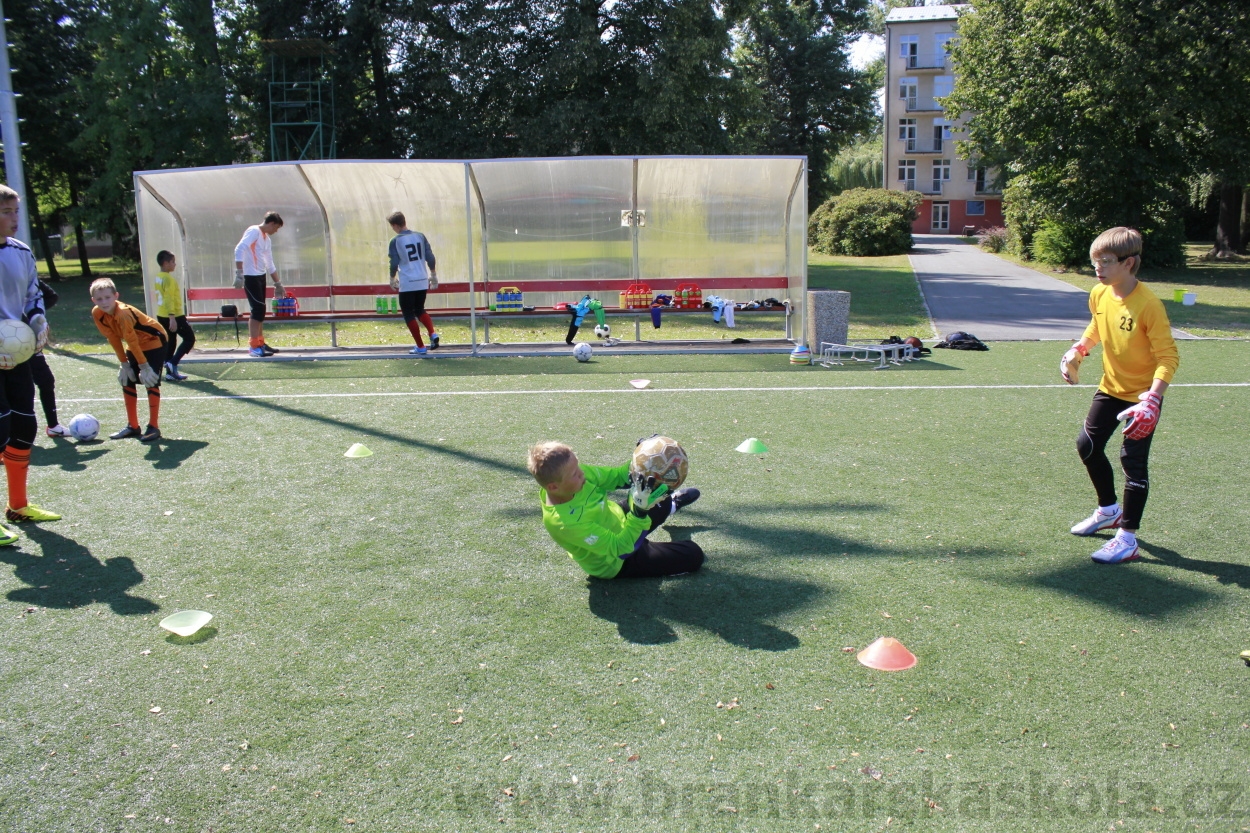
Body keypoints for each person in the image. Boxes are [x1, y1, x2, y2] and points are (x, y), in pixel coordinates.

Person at [1062, 227, 1179, 564]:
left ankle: (1127, 539)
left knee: (1132, 462)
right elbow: (1097, 326)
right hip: (1111, 387)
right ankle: (1108, 510)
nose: (1098, 268)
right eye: (1095, 261)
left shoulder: (1149, 305)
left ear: (1128, 263)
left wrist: (1152, 400)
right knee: (1087, 446)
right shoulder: (1100, 293)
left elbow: (1168, 357)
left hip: (1142, 398)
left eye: (1106, 261)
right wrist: (1080, 349)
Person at [527, 441, 704, 579]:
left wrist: (642, 459)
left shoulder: (575, 475)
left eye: (578, 466)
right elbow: (621, 548)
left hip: (618, 517)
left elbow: (618, 477)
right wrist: (639, 513)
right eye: (574, 474)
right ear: (554, 487)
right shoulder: (565, 524)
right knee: (693, 554)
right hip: (617, 560)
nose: (582, 473)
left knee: (658, 494)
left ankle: (670, 505)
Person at [0, 184, 61, 542]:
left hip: (17, 354)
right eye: (6, 212)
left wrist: (38, 321)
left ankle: (18, 506)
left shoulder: (21, 252)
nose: (14, 218)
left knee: (24, 426)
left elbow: (32, 295)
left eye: (16, 211)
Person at [90, 278, 168, 443]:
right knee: (127, 379)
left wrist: (144, 366)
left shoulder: (123, 314)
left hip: (154, 341)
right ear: (93, 300)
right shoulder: (97, 313)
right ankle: (133, 426)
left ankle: (153, 427)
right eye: (99, 299)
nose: (104, 302)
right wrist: (124, 364)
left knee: (150, 379)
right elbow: (113, 338)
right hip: (135, 345)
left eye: (107, 297)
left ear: (116, 296)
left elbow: (131, 340)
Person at [233, 212, 286, 358]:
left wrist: (278, 283)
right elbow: (239, 248)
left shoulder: (266, 239)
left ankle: (260, 342)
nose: (276, 231)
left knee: (261, 310)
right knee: (257, 310)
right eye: (276, 227)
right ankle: (253, 346)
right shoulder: (254, 231)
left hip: (260, 276)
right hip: (250, 277)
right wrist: (239, 273)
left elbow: (269, 262)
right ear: (271, 223)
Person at [386, 211, 440, 355]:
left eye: (392, 227)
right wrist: (433, 274)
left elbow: (394, 262)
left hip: (408, 282)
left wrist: (392, 278)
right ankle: (432, 333)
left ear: (395, 225)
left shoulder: (395, 241)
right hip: (422, 280)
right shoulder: (420, 236)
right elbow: (430, 256)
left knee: (408, 313)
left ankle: (421, 347)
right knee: (420, 309)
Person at [31, 278, 69, 437]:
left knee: (46, 380)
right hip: (6, 341)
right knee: (18, 387)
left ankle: (53, 426)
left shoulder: (25, 274)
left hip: (27, 339)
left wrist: (34, 316)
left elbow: (51, 296)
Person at [152, 250, 194, 381]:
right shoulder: (168, 279)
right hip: (173, 315)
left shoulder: (159, 276)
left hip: (161, 314)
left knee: (171, 341)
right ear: (165, 263)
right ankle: (173, 362)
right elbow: (169, 298)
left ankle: (169, 372)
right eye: (172, 262)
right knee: (189, 338)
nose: (175, 264)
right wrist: (172, 317)